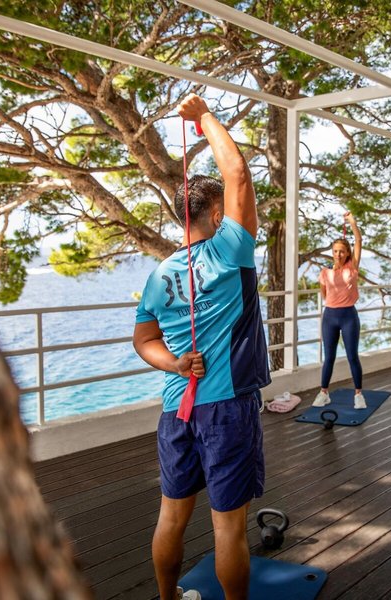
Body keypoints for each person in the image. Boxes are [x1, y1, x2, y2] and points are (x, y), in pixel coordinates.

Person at [132, 93, 270, 600]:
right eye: (224, 209)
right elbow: (238, 174)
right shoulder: (229, 250)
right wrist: (203, 116)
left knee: (171, 516)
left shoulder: (159, 275)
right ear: (215, 214)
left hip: (176, 411)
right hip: (227, 409)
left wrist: (174, 363)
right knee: (228, 527)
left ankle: (168, 598)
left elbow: (143, 339)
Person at [312, 212, 366, 410]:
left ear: (347, 253)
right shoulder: (325, 271)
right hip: (330, 316)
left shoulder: (352, 267)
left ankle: (358, 394)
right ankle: (324, 393)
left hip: (348, 316)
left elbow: (358, 240)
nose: (338, 254)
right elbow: (324, 293)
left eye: (342, 251)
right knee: (329, 357)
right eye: (335, 251)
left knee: (352, 356)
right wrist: (334, 301)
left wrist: (352, 222)